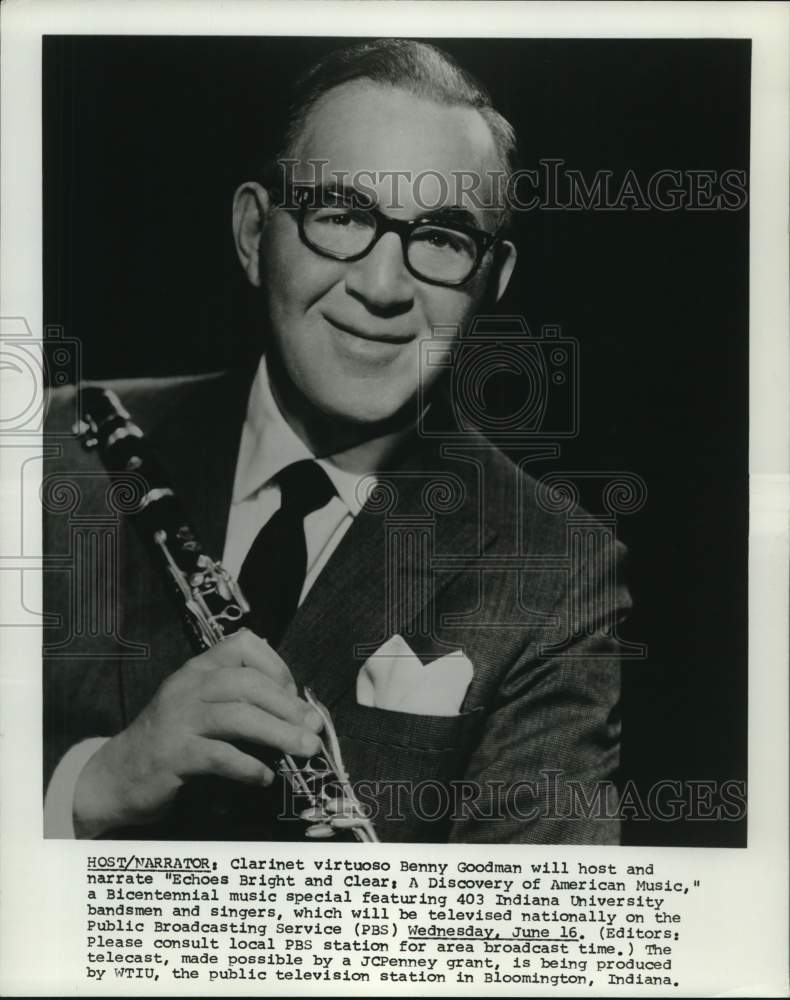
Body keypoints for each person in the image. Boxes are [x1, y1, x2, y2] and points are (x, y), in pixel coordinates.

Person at [43, 38, 629, 843]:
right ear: (255, 234)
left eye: (444, 239)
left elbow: (541, 940)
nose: (382, 287)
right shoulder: (52, 448)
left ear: (490, 281)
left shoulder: (559, 573)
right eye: (342, 214)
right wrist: (89, 790)